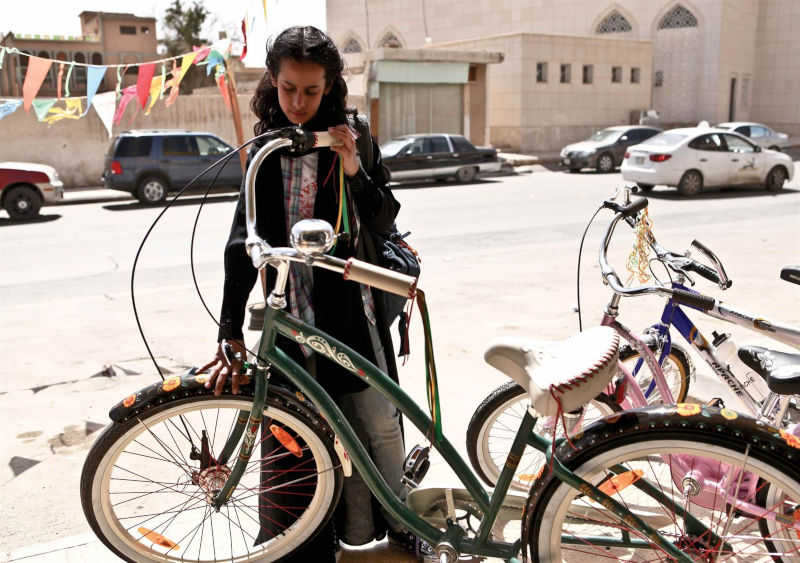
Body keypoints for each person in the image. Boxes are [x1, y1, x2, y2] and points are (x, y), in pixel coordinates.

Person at [200, 26, 428, 561]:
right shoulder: (265, 148)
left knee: (377, 423)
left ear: (330, 87)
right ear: (272, 81)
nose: (299, 103)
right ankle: (304, 543)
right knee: (301, 436)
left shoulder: (352, 136)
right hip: (289, 315)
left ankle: (402, 522)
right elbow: (242, 244)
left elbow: (385, 219)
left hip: (351, 310)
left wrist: (354, 169)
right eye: (288, 89)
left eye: (311, 90)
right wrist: (229, 330)